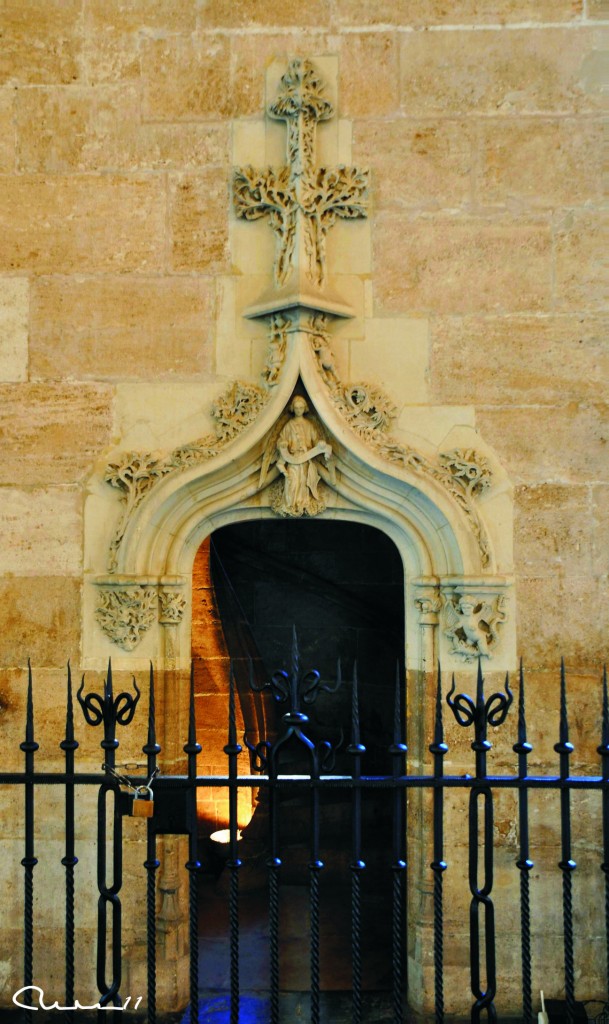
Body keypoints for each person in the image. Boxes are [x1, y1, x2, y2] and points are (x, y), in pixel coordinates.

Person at [273, 396, 332, 516]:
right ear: (293, 408)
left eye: (301, 408)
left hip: (306, 458)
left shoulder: (309, 425)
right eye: (296, 408)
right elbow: (281, 439)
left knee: (303, 480)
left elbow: (316, 440)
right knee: (292, 480)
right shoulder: (289, 425)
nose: (299, 410)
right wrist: (282, 443)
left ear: (305, 408)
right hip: (293, 458)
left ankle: (303, 504)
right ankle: (290, 504)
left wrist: (320, 443)